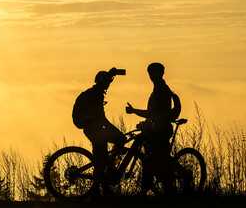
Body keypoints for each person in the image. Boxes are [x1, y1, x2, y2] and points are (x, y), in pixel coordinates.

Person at [126, 62, 181, 192]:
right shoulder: (158, 88)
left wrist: (134, 111)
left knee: (156, 159)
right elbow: (154, 113)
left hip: (161, 130)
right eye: (149, 72)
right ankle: (149, 188)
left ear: (161, 73)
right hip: (158, 128)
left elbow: (152, 112)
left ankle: (155, 188)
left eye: (154, 72)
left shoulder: (161, 89)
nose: (151, 75)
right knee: (152, 159)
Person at [72, 68, 126, 186]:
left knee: (105, 153)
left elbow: (102, 119)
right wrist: (111, 74)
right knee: (101, 158)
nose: (108, 85)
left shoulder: (96, 94)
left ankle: (108, 167)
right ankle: (96, 192)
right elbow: (103, 120)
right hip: (93, 129)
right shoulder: (95, 92)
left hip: (94, 128)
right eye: (107, 82)